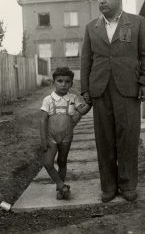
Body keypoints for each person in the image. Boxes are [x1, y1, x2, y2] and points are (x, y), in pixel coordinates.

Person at [80, 0, 145, 202]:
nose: (101, 1)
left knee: (128, 138)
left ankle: (128, 185)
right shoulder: (91, 27)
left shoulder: (137, 23)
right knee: (104, 140)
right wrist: (85, 89)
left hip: (128, 89)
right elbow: (86, 60)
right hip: (100, 90)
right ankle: (109, 187)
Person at [40, 67, 91, 200]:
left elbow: (83, 110)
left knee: (62, 161)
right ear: (54, 82)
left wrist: (90, 102)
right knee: (48, 163)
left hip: (66, 137)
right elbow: (43, 120)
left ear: (71, 84)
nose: (63, 84)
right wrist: (43, 139)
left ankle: (60, 190)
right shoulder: (48, 100)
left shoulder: (73, 98)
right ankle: (61, 184)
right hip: (51, 137)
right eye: (60, 81)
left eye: (67, 81)